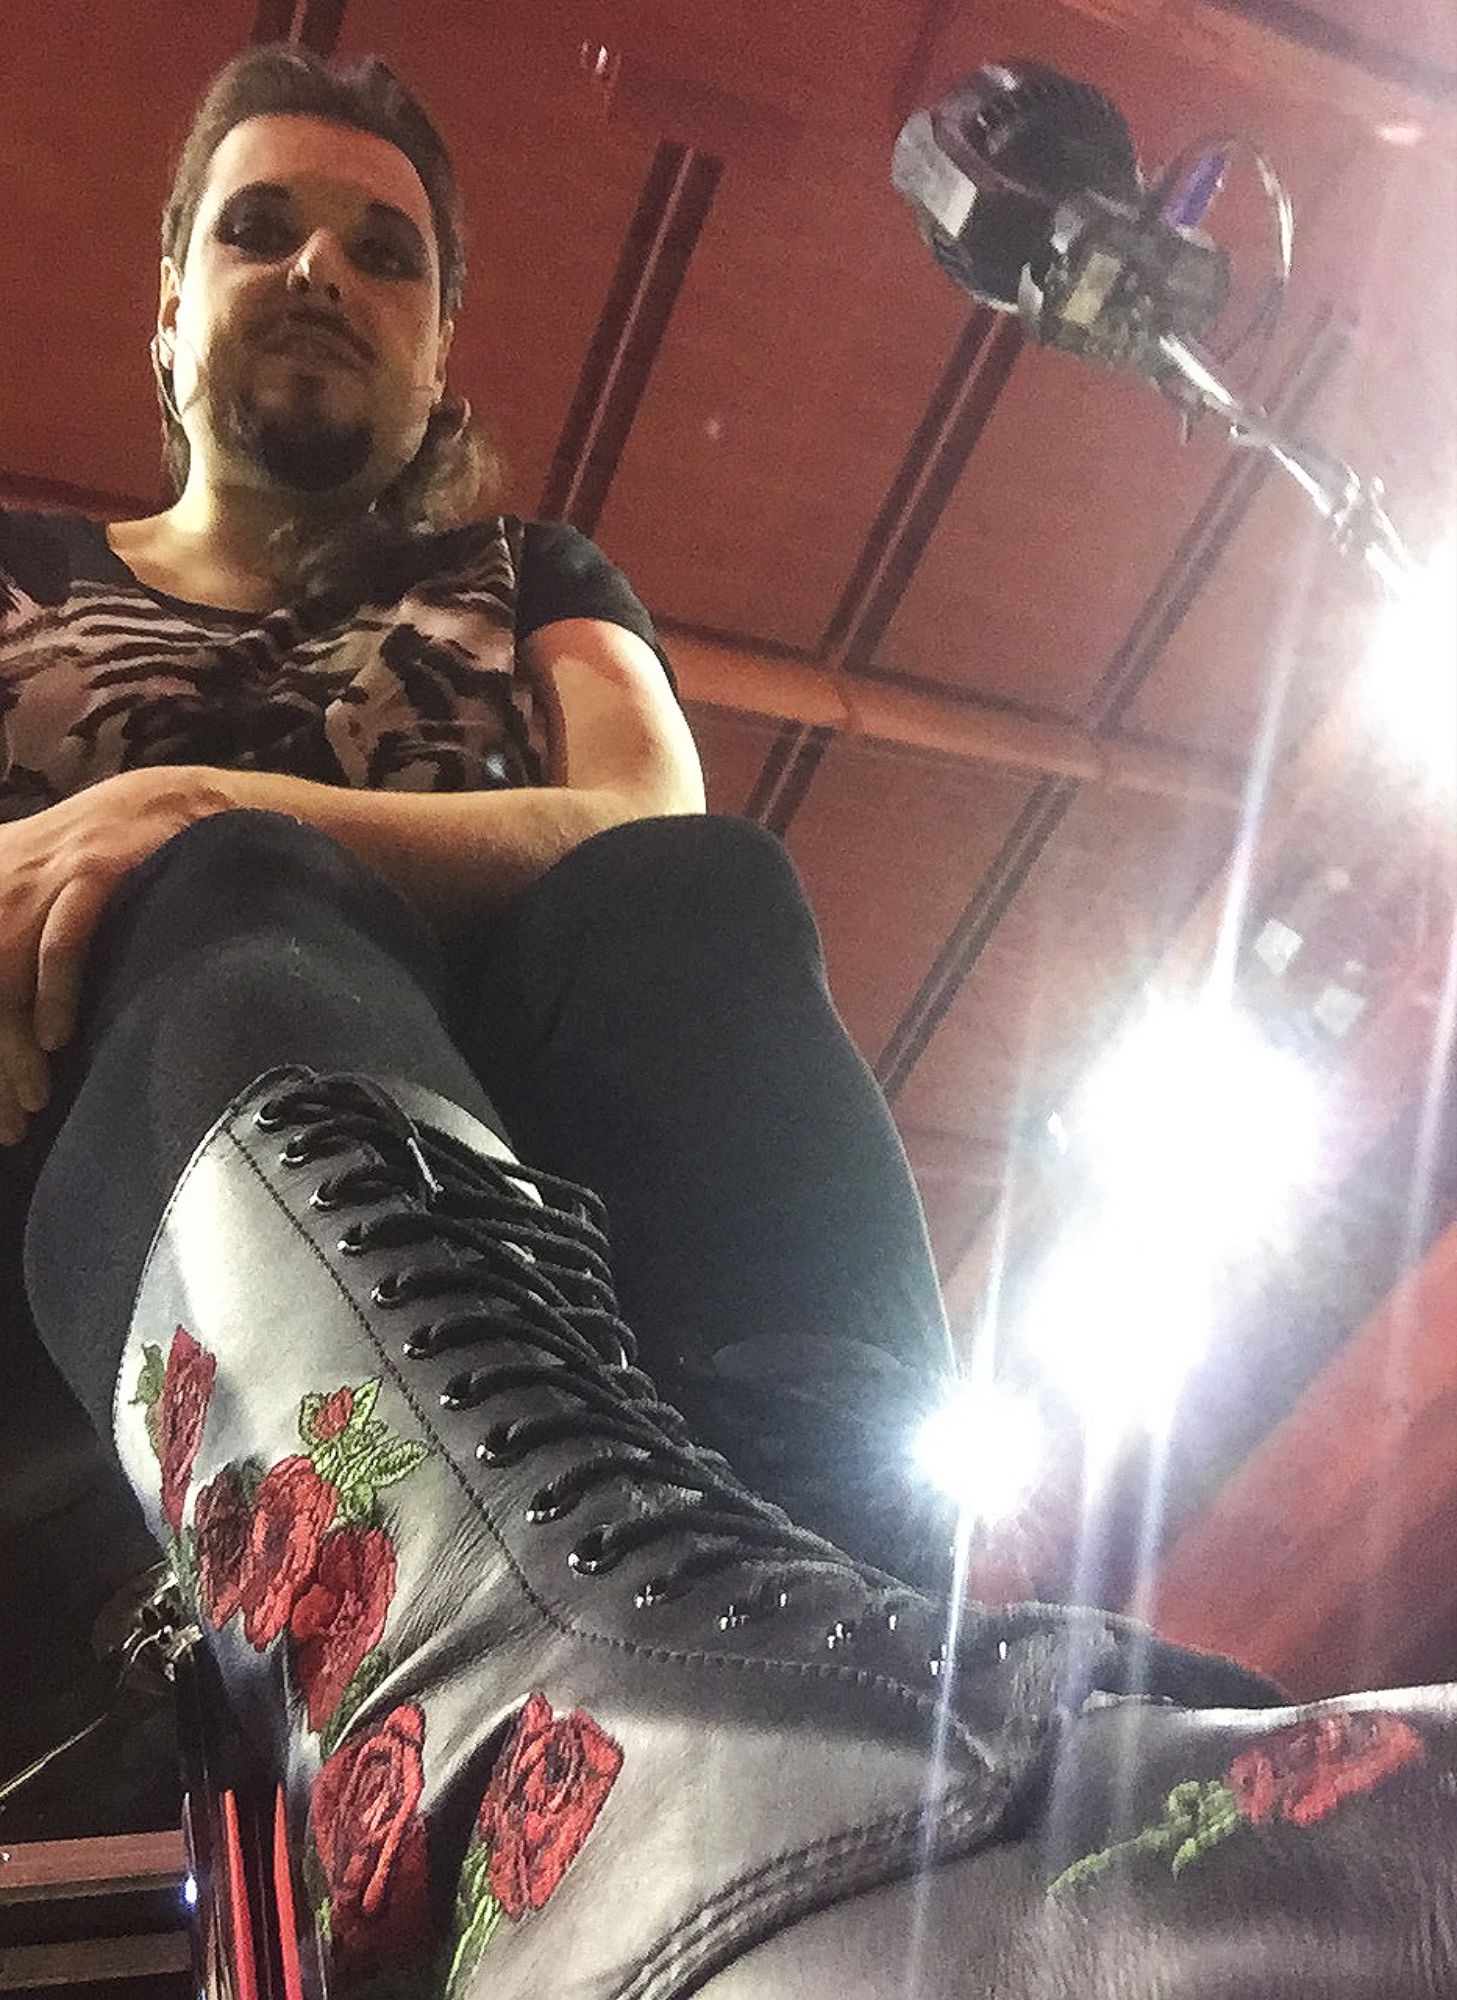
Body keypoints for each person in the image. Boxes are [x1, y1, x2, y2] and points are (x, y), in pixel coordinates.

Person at [5, 43, 1456, 2000]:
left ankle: (852, 1675)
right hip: (85, 1227)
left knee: (687, 896)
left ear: (439, 353)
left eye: (384, 250)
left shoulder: (529, 579)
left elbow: (640, 806)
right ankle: (558, 1770)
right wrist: (194, 852)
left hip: (547, 1232)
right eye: (260, 230)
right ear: (169, 304)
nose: (320, 270)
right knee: (228, 897)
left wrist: (188, 795)